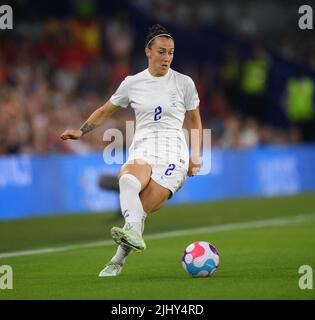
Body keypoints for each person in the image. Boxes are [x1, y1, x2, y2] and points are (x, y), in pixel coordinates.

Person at [60, 24, 202, 277]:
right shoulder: (132, 83)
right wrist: (81, 131)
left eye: (171, 53)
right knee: (126, 179)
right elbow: (105, 110)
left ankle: (116, 261)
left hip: (173, 156)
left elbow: (195, 121)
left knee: (141, 210)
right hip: (144, 148)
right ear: (148, 51)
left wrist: (196, 156)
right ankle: (129, 240)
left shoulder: (184, 83)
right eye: (161, 52)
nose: (166, 58)